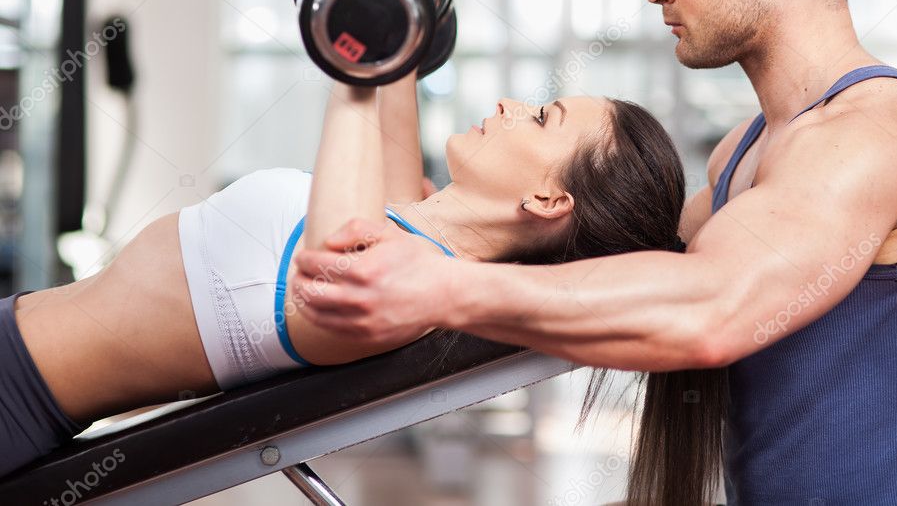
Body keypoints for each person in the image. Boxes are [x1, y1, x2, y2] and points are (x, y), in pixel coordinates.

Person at [293, 0, 897, 506]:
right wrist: (439, 225)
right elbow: (619, 268)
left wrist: (441, 284)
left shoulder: (874, 131)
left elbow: (714, 305)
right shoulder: (742, 152)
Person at [0, 72, 696, 481]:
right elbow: (390, 89)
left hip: (15, 390)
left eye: (542, 118)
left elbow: (334, 249)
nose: (513, 105)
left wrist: (355, 54)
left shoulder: (388, 287)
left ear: (547, 200)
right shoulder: (410, 224)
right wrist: (399, 27)